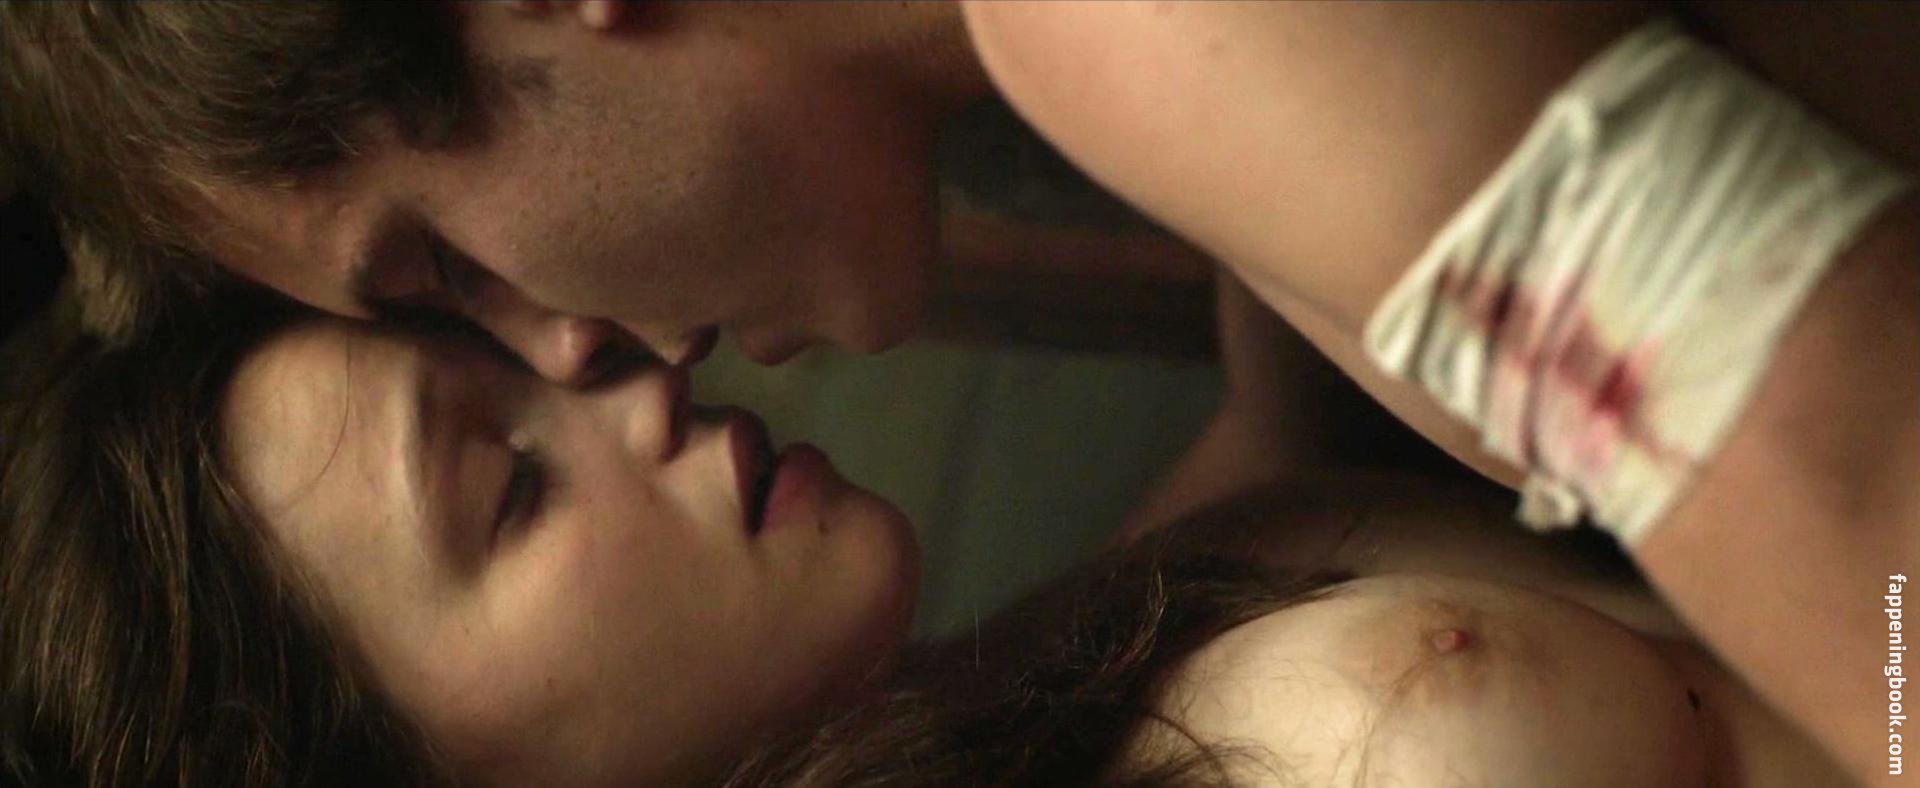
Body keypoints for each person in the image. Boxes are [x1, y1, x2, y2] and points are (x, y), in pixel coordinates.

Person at [3, 1, 1914, 779]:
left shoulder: (1137, 39)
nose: (581, 352)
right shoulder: (1028, 670)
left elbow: (1864, 483)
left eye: (445, 264)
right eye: (507, 484)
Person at [1, 300, 1848, 786]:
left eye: (515, 356)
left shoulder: (1039, 676)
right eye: (512, 488)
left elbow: (1285, 422)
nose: (628, 384)